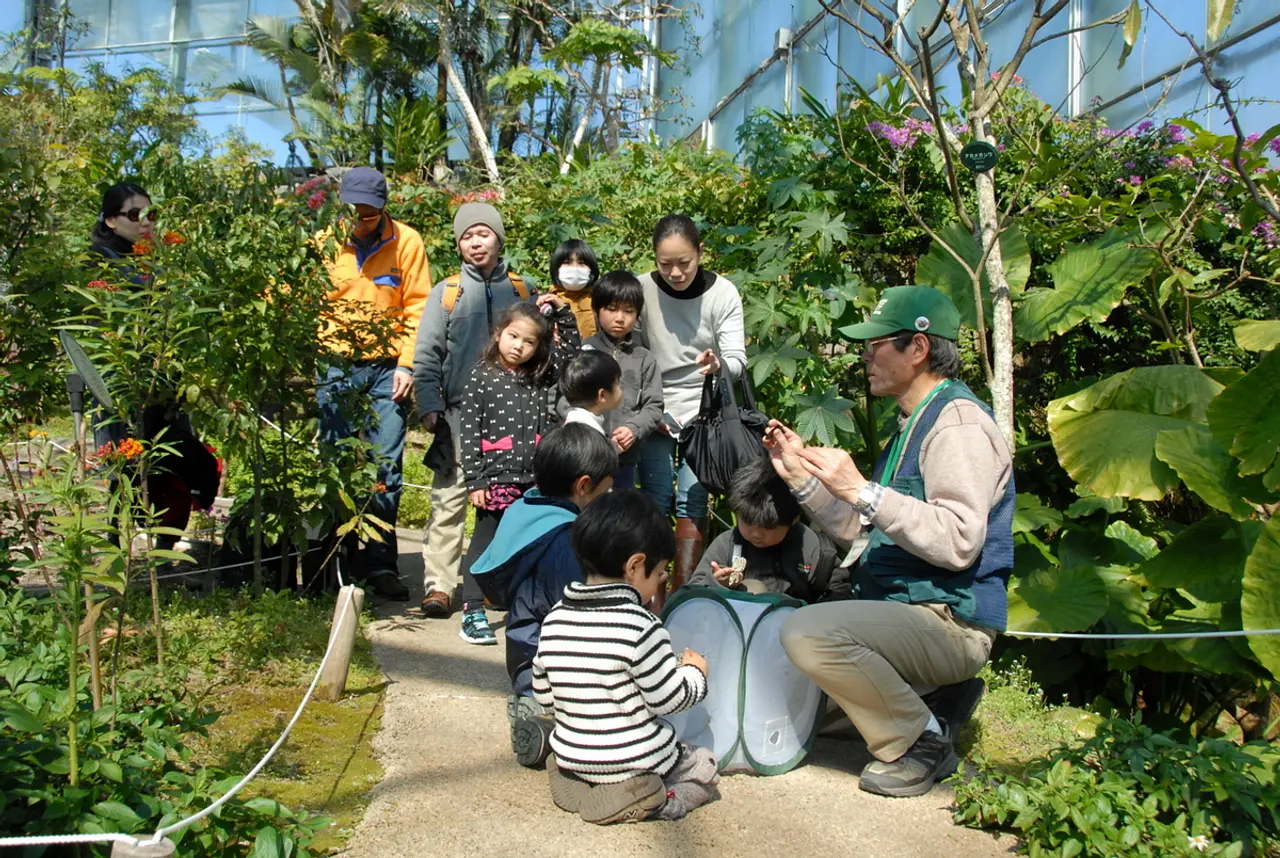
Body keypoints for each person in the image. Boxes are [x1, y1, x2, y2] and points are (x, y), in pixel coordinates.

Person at [764, 285, 1014, 799]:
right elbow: (868, 533)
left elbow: (959, 542)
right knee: (798, 701)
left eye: (876, 343)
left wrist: (860, 488)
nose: (865, 355)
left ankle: (921, 743)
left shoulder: (958, 426)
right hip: (902, 613)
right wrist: (802, 480)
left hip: (948, 621)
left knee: (808, 634)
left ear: (918, 349)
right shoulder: (911, 423)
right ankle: (938, 701)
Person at [533, 489, 721, 824]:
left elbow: (545, 697)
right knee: (705, 767)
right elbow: (668, 698)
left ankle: (576, 778)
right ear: (635, 566)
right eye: (660, 572)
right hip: (636, 759)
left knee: (580, 752)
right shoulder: (641, 626)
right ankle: (661, 799)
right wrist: (695, 674)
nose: (662, 580)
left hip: (573, 751)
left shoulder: (555, 619)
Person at [466, 424, 617, 767]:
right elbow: (576, 609)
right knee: (570, 709)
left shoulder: (525, 510)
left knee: (530, 687)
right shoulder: (566, 539)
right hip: (551, 657)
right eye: (603, 492)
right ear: (583, 487)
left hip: (521, 643)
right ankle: (551, 728)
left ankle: (528, 710)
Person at [413, 202, 534, 619]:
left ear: (498, 238)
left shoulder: (523, 290)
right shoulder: (446, 292)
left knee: (504, 503)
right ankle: (439, 587)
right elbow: (426, 355)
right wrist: (429, 404)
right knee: (448, 501)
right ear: (459, 244)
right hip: (458, 415)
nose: (475, 242)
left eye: (483, 233)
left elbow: (541, 350)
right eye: (466, 236)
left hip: (512, 416)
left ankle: (491, 584)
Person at [85, 182, 220, 550]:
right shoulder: (97, 261)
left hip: (164, 380)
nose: (145, 222)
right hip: (121, 382)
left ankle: (164, 546)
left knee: (174, 457)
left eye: (151, 214)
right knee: (122, 465)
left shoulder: (160, 261)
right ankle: (116, 546)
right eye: (134, 214)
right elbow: (99, 325)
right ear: (111, 220)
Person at [316, 167, 431, 600]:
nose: (360, 219)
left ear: (384, 207)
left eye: (368, 213)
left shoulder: (407, 241)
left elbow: (417, 306)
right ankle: (337, 562)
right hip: (335, 365)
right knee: (335, 463)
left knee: (387, 466)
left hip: (388, 369)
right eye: (353, 211)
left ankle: (381, 565)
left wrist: (406, 363)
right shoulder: (325, 240)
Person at [456, 300, 580, 644]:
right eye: (513, 336)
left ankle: (527, 608)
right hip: (495, 477)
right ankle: (472, 609)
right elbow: (468, 431)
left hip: (536, 478)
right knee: (484, 543)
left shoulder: (542, 374)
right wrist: (475, 478)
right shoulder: (481, 374)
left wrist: (563, 314)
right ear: (498, 334)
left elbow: (571, 355)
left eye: (529, 341)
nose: (519, 346)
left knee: (531, 544)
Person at [636, 215, 746, 591]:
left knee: (692, 500)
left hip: (705, 410)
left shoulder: (723, 293)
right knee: (654, 499)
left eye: (684, 262)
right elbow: (629, 351)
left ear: (701, 252)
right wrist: (651, 410)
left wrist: (718, 365)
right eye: (665, 264)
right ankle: (651, 595)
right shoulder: (642, 290)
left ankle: (683, 595)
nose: (675, 272)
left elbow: (737, 359)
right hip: (653, 406)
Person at [687, 455, 846, 603]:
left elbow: (840, 595)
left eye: (768, 527)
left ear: (793, 520)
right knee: (753, 587)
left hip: (795, 627)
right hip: (737, 626)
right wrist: (717, 584)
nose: (756, 534)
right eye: (748, 522)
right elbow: (694, 592)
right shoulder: (726, 545)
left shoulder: (816, 552)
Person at [581, 270, 663, 490]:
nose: (620, 318)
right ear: (596, 309)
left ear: (637, 315)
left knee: (620, 516)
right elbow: (561, 398)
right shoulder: (583, 352)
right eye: (612, 309)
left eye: (628, 311)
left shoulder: (644, 358)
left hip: (624, 459)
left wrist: (633, 429)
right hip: (584, 456)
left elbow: (654, 406)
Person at [560, 351, 622, 438]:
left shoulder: (569, 430)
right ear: (602, 395)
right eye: (617, 383)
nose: (621, 387)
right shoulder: (592, 441)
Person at [548, 239, 600, 338]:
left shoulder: (600, 300)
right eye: (567, 262)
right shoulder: (546, 303)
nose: (575, 268)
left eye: (581, 263)